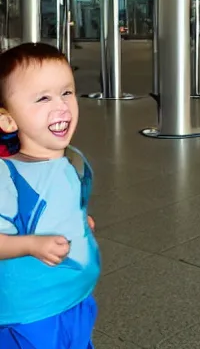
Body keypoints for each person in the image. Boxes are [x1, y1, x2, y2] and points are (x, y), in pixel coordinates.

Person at [0, 42, 101, 348]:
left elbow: (55, 209)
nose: (61, 105)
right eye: (42, 98)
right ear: (7, 120)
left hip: (75, 299)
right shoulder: (7, 175)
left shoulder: (68, 159)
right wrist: (32, 244)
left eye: (66, 92)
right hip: (31, 313)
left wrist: (80, 222)